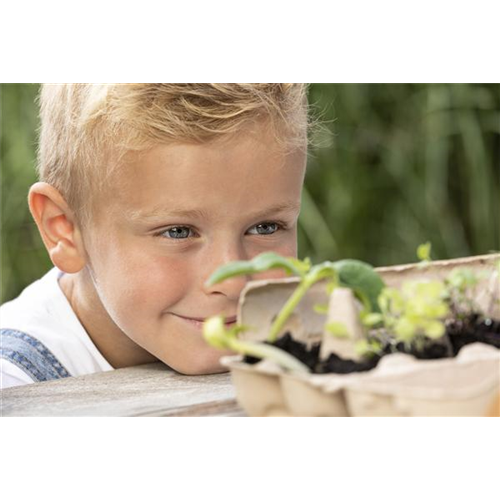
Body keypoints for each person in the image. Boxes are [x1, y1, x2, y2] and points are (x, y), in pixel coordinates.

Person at [0, 83, 309, 388]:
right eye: (178, 232)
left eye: (265, 227)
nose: (233, 283)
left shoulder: (316, 339)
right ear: (64, 229)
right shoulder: (14, 386)